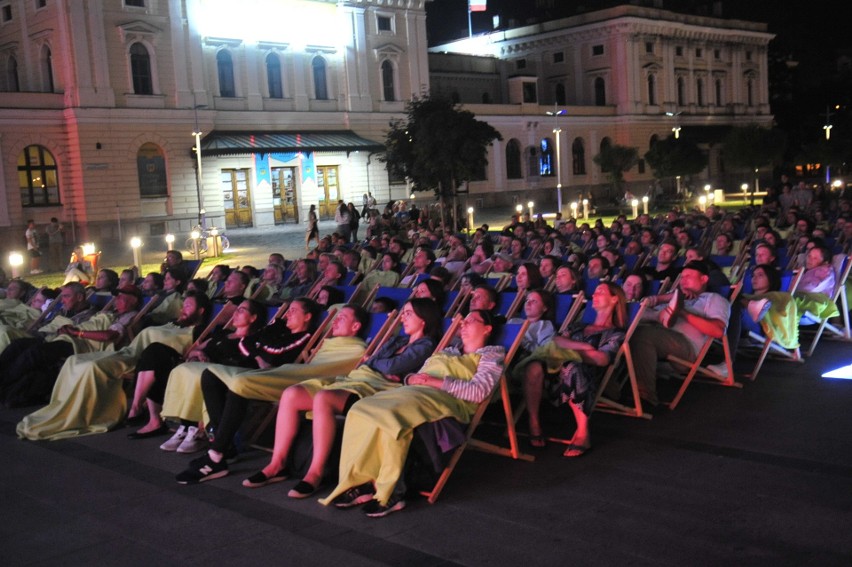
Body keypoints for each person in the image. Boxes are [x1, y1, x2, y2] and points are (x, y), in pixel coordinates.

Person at [240, 298, 441, 496]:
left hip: (376, 388)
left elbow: (390, 367)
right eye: (403, 312)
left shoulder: (425, 345)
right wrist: (377, 363)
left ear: (423, 319)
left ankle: (315, 473)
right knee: (291, 394)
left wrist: (378, 363)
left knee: (324, 398)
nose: (402, 318)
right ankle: (277, 464)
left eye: (408, 313)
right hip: (355, 378)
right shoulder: (398, 340)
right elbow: (372, 363)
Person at [320, 310, 505, 517]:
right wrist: (412, 379)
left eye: (471, 320)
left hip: (445, 401)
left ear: (487, 328)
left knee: (391, 416)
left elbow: (479, 392)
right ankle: (362, 481)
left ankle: (392, 492)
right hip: (414, 393)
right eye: (463, 321)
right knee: (360, 409)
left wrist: (434, 382)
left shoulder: (492, 356)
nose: (463, 324)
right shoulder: (448, 351)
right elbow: (415, 376)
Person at [169, 304, 371, 480]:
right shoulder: (326, 343)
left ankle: (215, 456)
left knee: (240, 382)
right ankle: (225, 445)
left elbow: (326, 372)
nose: (335, 321)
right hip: (287, 373)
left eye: (342, 318)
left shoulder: (358, 349)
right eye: (335, 317)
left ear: (356, 326)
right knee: (211, 374)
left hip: (301, 382)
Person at [16, 291, 211, 441]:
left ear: (201, 311)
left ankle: (86, 414)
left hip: (140, 361)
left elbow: (198, 348)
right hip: (126, 352)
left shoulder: (197, 331)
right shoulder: (171, 323)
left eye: (188, 306)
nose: (182, 309)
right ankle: (62, 407)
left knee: (91, 367)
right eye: (183, 305)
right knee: (73, 361)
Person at [518, 283, 627, 453]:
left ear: (614, 299)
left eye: (600, 292)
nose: (594, 295)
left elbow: (602, 359)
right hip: (554, 374)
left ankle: (583, 432)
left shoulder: (616, 333)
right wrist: (586, 347)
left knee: (572, 365)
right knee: (533, 366)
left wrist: (569, 352)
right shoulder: (578, 326)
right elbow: (555, 340)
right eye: (595, 291)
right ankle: (534, 422)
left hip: (587, 376)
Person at [0, 284, 142, 408]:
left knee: (35, 353)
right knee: (18, 345)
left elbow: (109, 336)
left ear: (133, 301)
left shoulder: (129, 316)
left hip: (78, 345)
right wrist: (68, 330)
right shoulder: (110, 313)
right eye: (116, 297)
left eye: (121, 298)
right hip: (66, 337)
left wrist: (77, 332)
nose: (116, 301)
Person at [629, 261, 730, 407]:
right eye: (682, 277)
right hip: (660, 331)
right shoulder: (675, 297)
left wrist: (681, 311)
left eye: (688, 276)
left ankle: (645, 397)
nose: (683, 280)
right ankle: (610, 389)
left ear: (704, 279)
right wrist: (669, 298)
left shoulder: (714, 299)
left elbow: (718, 330)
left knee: (642, 335)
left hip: (685, 346)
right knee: (625, 330)